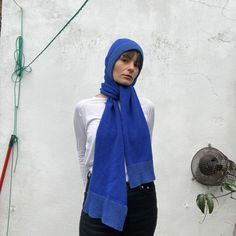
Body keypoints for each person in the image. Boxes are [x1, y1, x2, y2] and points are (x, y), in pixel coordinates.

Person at [74, 38, 157, 236]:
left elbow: (142, 148)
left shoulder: (146, 108)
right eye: (125, 60)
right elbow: (82, 154)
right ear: (111, 61)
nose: (131, 68)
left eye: (137, 64)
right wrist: (91, 189)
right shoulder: (85, 108)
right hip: (100, 193)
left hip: (141, 197)